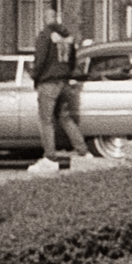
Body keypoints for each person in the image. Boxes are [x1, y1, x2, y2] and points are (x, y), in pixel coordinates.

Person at [28, 17, 86, 174]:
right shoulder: (68, 37)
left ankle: (50, 158)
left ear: (46, 20)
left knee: (45, 121)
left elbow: (40, 60)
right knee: (65, 118)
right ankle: (84, 152)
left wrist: (34, 75)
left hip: (48, 82)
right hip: (64, 82)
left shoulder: (45, 36)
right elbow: (73, 61)